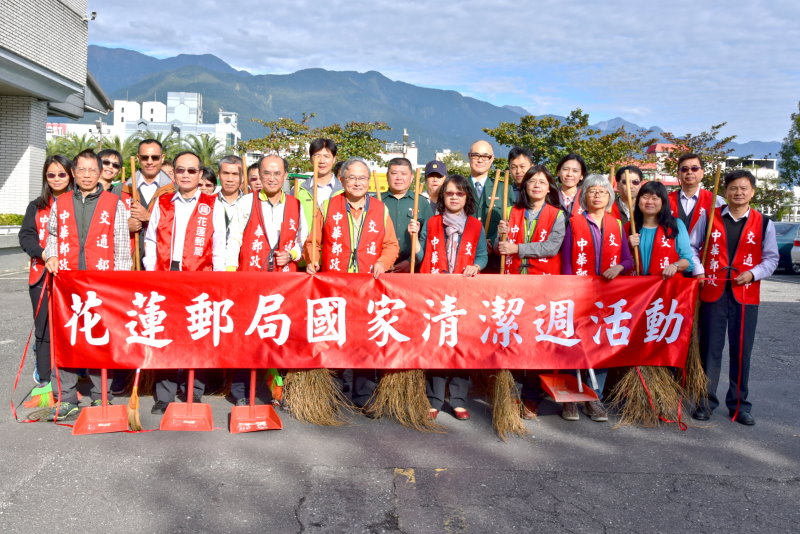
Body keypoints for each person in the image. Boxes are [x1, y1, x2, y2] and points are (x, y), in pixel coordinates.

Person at [42, 150, 132, 420]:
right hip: (67, 282)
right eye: (81, 170)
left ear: (100, 171)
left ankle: (100, 396)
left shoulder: (113, 203)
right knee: (67, 339)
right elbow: (52, 237)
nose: (87, 175)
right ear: (73, 173)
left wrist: (120, 283)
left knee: (99, 339)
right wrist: (51, 255)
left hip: (100, 282)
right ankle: (67, 397)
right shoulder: (62, 202)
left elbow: (122, 245)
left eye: (92, 170)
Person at [305, 157, 400, 410]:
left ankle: (363, 395)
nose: (357, 183)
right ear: (342, 180)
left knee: (365, 340)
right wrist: (313, 260)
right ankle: (333, 394)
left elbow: (391, 245)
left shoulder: (380, 209)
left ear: (369, 181)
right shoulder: (327, 206)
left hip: (368, 287)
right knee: (334, 337)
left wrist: (382, 261)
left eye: (362, 178)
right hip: (335, 285)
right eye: (351, 178)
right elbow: (312, 242)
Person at [690, 169, 778, 425]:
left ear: (752, 192)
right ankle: (705, 401)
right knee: (710, 349)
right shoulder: (709, 217)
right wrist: (700, 271)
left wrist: (752, 274)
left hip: (746, 293)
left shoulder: (764, 222)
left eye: (744, 188)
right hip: (714, 289)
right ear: (725, 192)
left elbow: (771, 258)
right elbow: (694, 248)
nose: (738, 193)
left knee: (742, 351)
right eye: (733, 188)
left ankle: (740, 405)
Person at [143, 151, 227, 415]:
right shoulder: (163, 202)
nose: (186, 175)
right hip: (166, 275)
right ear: (174, 174)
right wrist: (151, 270)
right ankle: (164, 394)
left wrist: (218, 279)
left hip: (200, 278)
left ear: (200, 174)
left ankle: (193, 391)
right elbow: (150, 240)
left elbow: (219, 247)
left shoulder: (213, 205)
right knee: (165, 335)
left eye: (192, 171)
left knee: (197, 334)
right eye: (181, 170)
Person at [224, 154, 309, 405]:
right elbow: (234, 240)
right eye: (267, 173)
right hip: (251, 280)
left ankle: (277, 390)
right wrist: (231, 275)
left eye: (277, 173)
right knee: (248, 335)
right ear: (259, 176)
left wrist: (291, 254)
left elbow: (303, 242)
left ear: (285, 176)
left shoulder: (295, 204)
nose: (272, 178)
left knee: (280, 334)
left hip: (284, 283)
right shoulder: (246, 203)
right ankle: (241, 392)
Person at [409, 174, 487, 420]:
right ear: (443, 196)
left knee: (460, 344)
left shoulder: (475, 225)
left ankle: (458, 399)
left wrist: (476, 266)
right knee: (437, 342)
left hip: (464, 293)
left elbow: (482, 255)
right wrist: (414, 237)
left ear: (467, 197)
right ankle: (434, 398)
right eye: (450, 193)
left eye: (459, 193)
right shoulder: (432, 223)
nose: (454, 197)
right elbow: (421, 256)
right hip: (436, 291)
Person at [560, 175, 633, 422]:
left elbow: (628, 259)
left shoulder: (617, 224)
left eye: (602, 191)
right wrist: (572, 289)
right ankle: (570, 399)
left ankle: (594, 397)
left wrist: (619, 268)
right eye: (592, 191)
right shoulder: (574, 223)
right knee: (575, 343)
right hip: (579, 292)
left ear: (609, 197)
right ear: (584, 196)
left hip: (607, 295)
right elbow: (568, 260)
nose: (597, 195)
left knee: (600, 344)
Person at [496, 165, 566, 420]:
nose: (536, 185)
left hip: (542, 286)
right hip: (512, 285)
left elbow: (551, 247)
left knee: (538, 343)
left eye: (542, 182)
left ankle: (532, 398)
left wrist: (517, 248)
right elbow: (498, 247)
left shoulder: (557, 215)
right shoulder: (510, 211)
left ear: (549, 187)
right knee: (511, 340)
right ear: (524, 186)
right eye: (531, 181)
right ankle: (510, 392)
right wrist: (500, 237)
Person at [18, 155, 73, 396]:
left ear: (71, 175)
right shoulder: (37, 206)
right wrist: (44, 254)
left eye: (62, 174)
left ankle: (73, 380)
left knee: (71, 329)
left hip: (72, 279)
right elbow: (26, 237)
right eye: (51, 175)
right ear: (45, 177)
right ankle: (45, 380)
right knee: (44, 330)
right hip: (42, 276)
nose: (57, 179)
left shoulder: (77, 204)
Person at [627, 181, 692, 278]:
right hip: (637, 287)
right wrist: (627, 245)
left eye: (655, 198)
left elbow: (688, 261)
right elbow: (619, 259)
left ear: (663, 202)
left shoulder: (675, 225)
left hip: (665, 286)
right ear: (638, 200)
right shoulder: (629, 227)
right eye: (645, 197)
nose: (649, 202)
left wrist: (675, 266)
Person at [381, 157, 433, 272]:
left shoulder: (421, 202)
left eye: (404, 174)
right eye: (394, 173)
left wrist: (410, 261)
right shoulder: (377, 201)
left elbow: (429, 238)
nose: (399, 178)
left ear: (412, 177)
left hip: (413, 266)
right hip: (381, 266)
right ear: (387, 176)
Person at [668, 153, 725, 234]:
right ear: (678, 174)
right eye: (684, 169)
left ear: (702, 172)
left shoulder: (716, 201)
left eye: (694, 168)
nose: (689, 172)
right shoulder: (666, 200)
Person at [217, 155, 244, 233]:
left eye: (235, 174)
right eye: (225, 173)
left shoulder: (250, 203)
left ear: (242, 178)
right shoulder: (209, 202)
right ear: (218, 175)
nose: (230, 179)